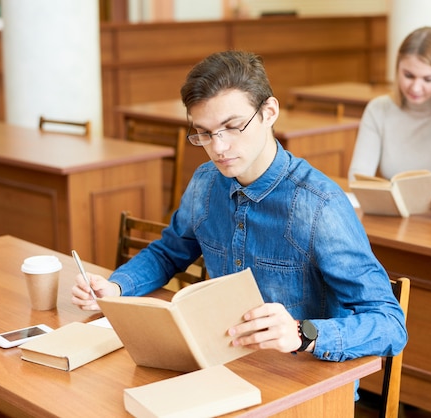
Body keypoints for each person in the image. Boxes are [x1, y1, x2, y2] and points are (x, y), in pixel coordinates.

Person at [72, 51, 407, 366]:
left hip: (304, 378)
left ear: (269, 112)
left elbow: (391, 325)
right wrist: (116, 287)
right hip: (226, 360)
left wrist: (302, 333)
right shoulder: (205, 181)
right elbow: (168, 253)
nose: (218, 148)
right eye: (204, 133)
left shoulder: (320, 205)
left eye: (232, 126)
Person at [348, 26, 431, 217]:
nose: (416, 88)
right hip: (388, 216)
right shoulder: (378, 109)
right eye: (408, 75)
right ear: (397, 69)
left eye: (427, 79)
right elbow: (359, 173)